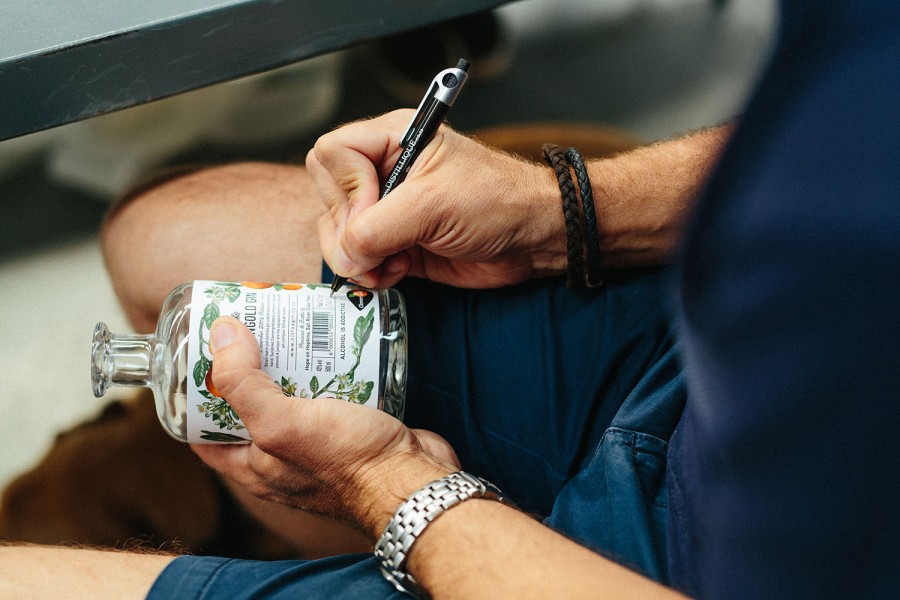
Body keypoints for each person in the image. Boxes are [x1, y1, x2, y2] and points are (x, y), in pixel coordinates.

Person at [2, 1, 898, 598]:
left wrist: (389, 487)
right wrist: (563, 211)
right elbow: (835, 147)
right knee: (162, 238)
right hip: (683, 366)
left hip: (660, 567)